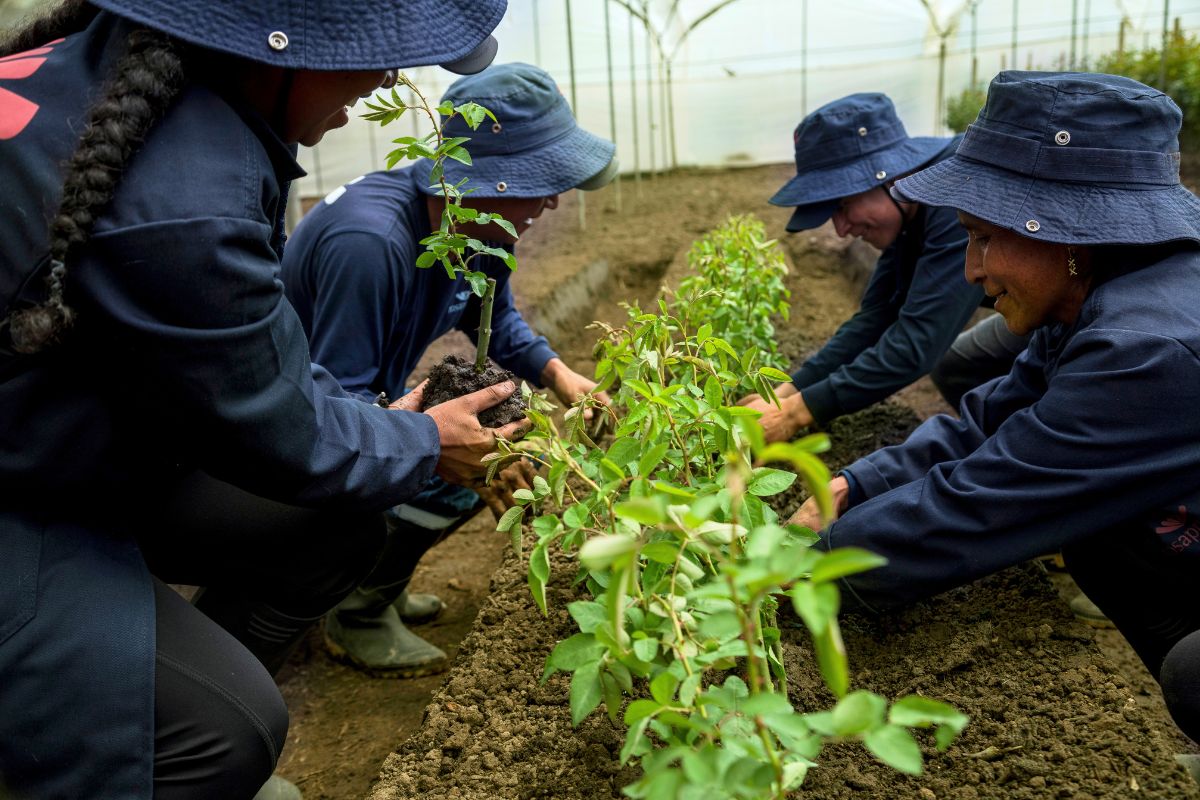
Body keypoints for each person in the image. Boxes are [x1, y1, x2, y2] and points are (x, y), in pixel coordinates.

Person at [0, 1, 519, 798]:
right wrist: (420, 442)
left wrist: (387, 431)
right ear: (278, 40)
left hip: (55, 442)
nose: (390, 76)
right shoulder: (182, 199)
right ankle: (148, 756)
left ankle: (139, 722)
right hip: (26, 492)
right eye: (372, 47)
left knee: (330, 530)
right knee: (226, 732)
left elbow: (255, 364)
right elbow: (279, 428)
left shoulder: (142, 88)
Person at [788, 71, 1200, 749]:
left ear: (1068, 231)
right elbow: (986, 424)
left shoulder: (1143, 350)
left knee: (1193, 671)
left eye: (983, 238)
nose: (973, 271)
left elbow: (980, 504)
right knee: (1099, 541)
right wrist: (853, 485)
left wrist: (799, 569)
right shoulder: (1095, 294)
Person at [282, 62, 616, 677]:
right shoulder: (372, 244)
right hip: (295, 436)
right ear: (484, 177)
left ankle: (380, 581)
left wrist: (563, 379)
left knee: (500, 438)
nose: (553, 199)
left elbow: (499, 321)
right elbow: (332, 406)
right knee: (474, 456)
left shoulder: (480, 231)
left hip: (363, 400)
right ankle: (355, 610)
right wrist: (431, 443)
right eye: (541, 181)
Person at [741, 93, 984, 442]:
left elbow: (916, 343)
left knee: (1026, 386)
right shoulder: (908, 210)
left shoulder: (956, 195)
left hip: (1084, 322)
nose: (841, 230)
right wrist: (786, 392)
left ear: (886, 176)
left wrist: (796, 413)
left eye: (841, 206)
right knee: (960, 365)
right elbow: (875, 319)